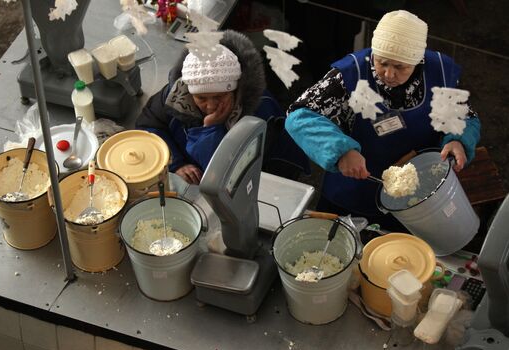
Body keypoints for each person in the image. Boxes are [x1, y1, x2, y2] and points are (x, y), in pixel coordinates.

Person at [285, 10, 481, 229]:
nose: (388, 74)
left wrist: (458, 139)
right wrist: (339, 151)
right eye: (382, 63)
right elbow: (299, 116)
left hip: (420, 193)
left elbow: (463, 116)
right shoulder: (350, 75)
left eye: (400, 67)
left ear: (417, 61)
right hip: (355, 187)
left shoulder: (440, 73)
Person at [136, 30, 309, 184]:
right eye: (201, 98)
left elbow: (226, 176)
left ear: (234, 89)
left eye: (219, 96)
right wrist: (175, 163)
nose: (210, 106)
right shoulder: (176, 95)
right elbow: (149, 126)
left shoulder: (260, 113)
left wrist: (210, 128)